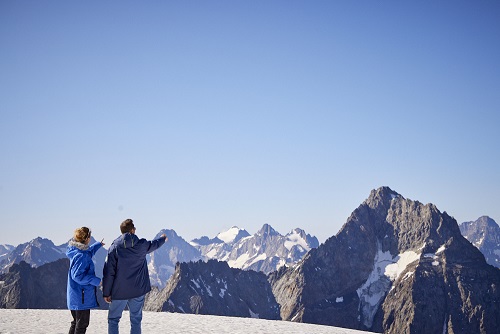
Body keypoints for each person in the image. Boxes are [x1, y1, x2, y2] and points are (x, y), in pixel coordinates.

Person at [102, 218, 168, 334]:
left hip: (119, 291)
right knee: (136, 320)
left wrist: (106, 292)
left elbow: (109, 272)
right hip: (138, 290)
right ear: (132, 231)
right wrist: (163, 238)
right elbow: (154, 244)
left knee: (113, 320)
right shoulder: (142, 245)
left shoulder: (114, 248)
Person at [66, 227, 105, 334]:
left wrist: (98, 245)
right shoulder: (81, 255)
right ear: (86, 238)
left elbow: (88, 253)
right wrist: (97, 281)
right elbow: (77, 276)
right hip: (81, 297)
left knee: (76, 322)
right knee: (82, 324)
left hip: (76, 296)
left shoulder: (77, 251)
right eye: (89, 236)